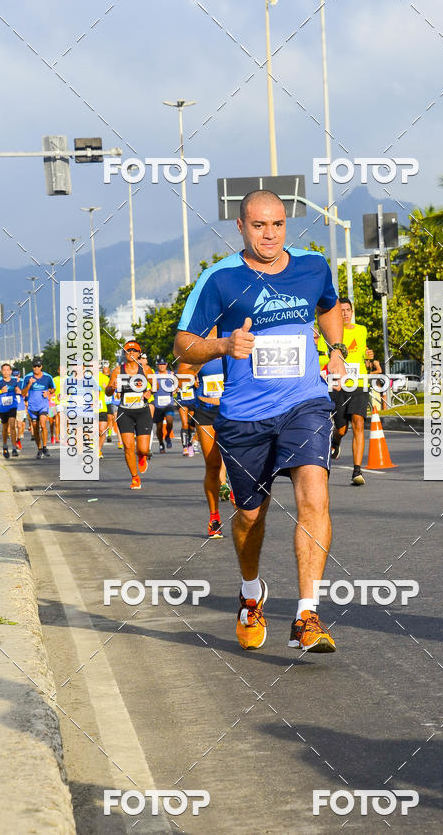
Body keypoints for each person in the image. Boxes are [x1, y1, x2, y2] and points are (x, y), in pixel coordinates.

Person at [174, 188, 347, 654]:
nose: (269, 234)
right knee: (250, 516)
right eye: (258, 225)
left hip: (304, 403)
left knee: (315, 490)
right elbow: (183, 345)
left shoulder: (313, 266)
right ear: (241, 227)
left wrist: (335, 350)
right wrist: (224, 346)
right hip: (245, 415)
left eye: (277, 225)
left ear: (286, 224)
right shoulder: (220, 279)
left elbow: (329, 305)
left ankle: (307, 614)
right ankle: (251, 595)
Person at [178, 330, 231, 539]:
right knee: (212, 464)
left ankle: (236, 493)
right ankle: (214, 517)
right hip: (206, 411)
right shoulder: (196, 340)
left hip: (233, 410)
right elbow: (183, 376)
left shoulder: (233, 331)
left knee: (239, 460)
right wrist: (195, 370)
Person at [318, 297, 372, 486]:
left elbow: (362, 353)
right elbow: (322, 360)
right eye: (341, 310)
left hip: (359, 383)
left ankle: (357, 471)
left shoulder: (361, 330)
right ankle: (336, 440)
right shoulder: (329, 335)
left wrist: (368, 356)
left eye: (348, 310)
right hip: (338, 385)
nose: (345, 313)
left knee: (358, 422)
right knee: (341, 428)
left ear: (352, 311)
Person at [105, 340, 154, 489]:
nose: (131, 353)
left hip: (142, 411)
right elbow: (107, 391)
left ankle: (142, 455)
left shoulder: (146, 369)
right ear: (125, 354)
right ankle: (135, 477)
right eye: (128, 351)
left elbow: (156, 385)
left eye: (134, 351)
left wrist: (149, 391)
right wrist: (112, 388)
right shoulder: (118, 371)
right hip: (125, 411)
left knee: (144, 449)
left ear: (139, 354)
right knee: (127, 446)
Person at [21, 359, 56, 458]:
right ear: (32, 367)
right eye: (34, 366)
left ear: (41, 367)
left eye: (38, 366)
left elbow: (53, 388)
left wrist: (48, 392)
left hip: (43, 405)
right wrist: (29, 385)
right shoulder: (28, 377)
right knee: (35, 428)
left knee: (43, 424)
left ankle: (45, 446)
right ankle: (39, 448)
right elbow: (23, 393)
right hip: (32, 406)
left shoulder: (47, 377)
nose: (36, 368)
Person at [0, 363, 22, 458]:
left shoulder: (15, 380)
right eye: (4, 370)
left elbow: (20, 389)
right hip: (3, 407)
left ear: (11, 371)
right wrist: (0, 391)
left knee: (12, 425)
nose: (6, 372)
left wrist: (18, 390)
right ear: (1, 371)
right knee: (4, 427)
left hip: (13, 405)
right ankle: (5, 445)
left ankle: (14, 448)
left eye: (8, 370)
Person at [150, 357, 175, 453]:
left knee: (169, 421)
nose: (162, 366)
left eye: (163, 364)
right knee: (159, 427)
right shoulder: (154, 375)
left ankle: (168, 435)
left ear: (166, 365)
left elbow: (178, 385)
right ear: (157, 365)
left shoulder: (171, 374)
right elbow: (149, 386)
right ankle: (161, 443)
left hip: (168, 403)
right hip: (157, 404)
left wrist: (175, 390)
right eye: (160, 364)